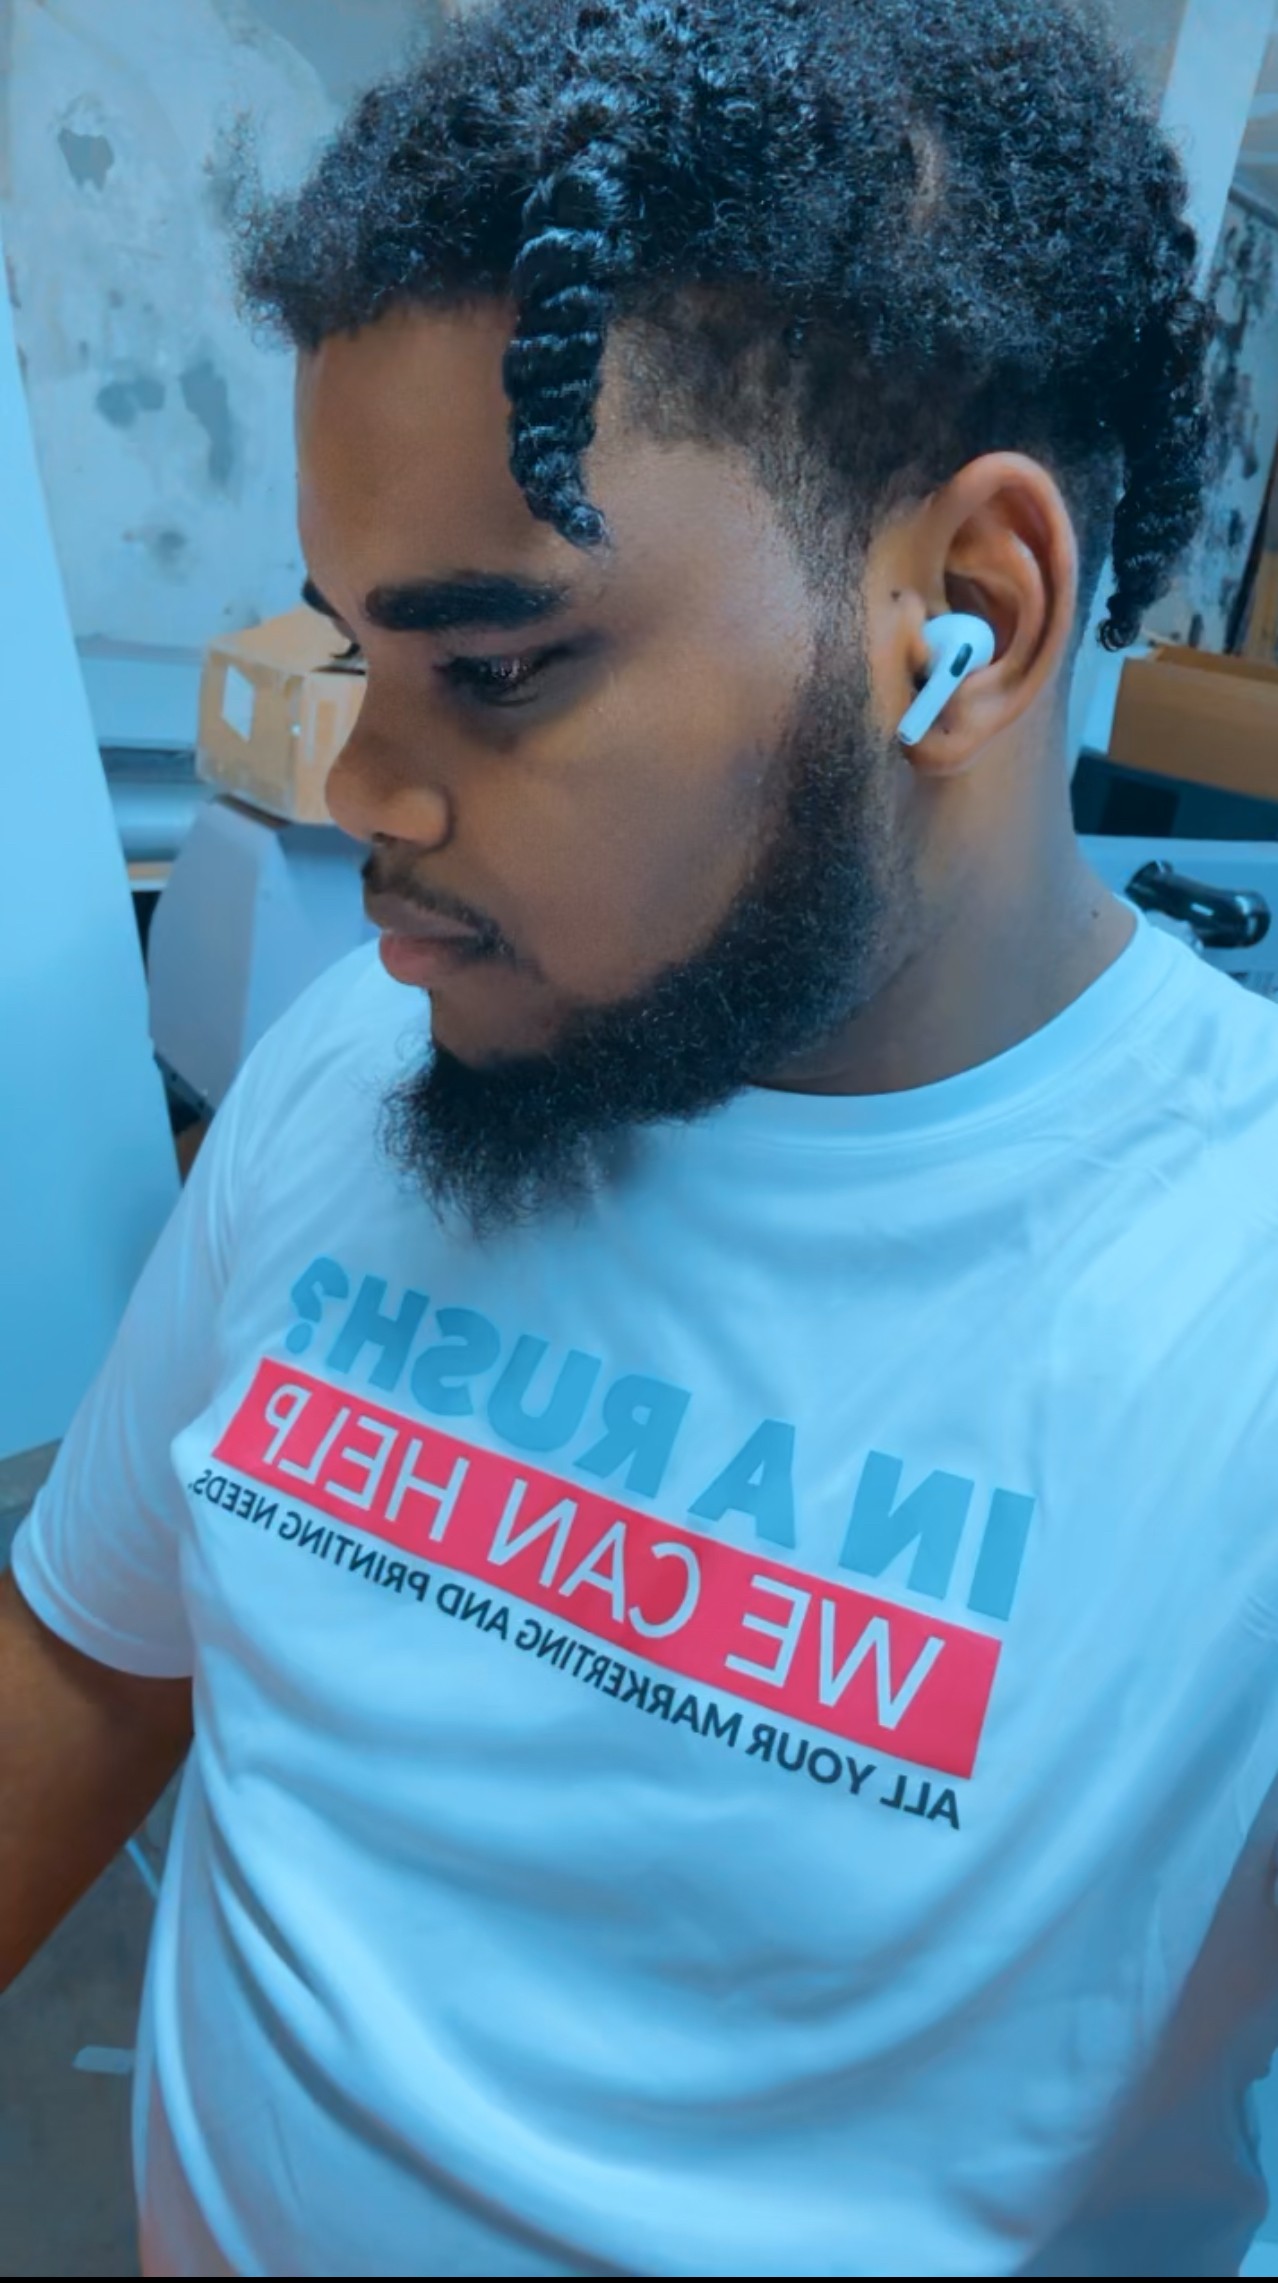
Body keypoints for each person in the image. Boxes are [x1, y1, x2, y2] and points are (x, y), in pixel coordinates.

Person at [4, 0, 1277, 2272]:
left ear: (965, 624)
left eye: (494, 672)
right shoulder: (354, 1062)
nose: (361, 793)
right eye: (351, 658)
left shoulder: (1231, 1322)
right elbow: (92, 1658)